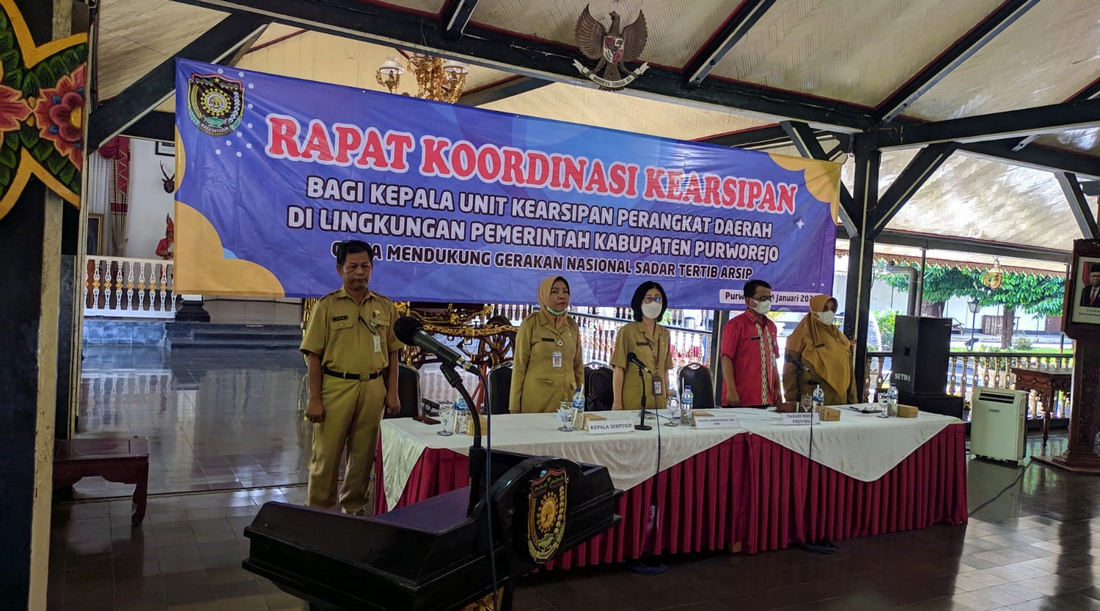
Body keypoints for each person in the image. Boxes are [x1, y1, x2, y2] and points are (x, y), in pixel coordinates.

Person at [300, 240, 402, 514]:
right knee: (327, 455)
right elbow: (314, 356)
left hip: (372, 389)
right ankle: (318, 511)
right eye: (353, 266)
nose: (360, 272)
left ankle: (354, 509)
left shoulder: (385, 307)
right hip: (335, 388)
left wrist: (392, 393)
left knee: (363, 456)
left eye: (365, 266)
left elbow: (393, 353)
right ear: (339, 270)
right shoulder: (326, 306)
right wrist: (315, 399)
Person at [509, 276, 584, 413]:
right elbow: (519, 367)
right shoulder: (531, 324)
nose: (562, 296)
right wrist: (514, 407)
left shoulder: (572, 325)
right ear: (543, 295)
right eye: (554, 292)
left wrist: (580, 398)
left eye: (565, 291)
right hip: (537, 402)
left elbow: (578, 366)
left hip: (568, 402)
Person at [783, 295, 858, 406]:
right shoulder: (800, 336)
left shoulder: (840, 338)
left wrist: (853, 401)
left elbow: (849, 372)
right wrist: (792, 400)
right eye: (825, 308)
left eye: (832, 309)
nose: (829, 313)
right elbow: (789, 371)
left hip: (840, 399)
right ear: (814, 310)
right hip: (812, 398)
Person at [611, 281, 674, 411]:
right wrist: (617, 402)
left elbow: (665, 370)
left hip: (659, 401)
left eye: (657, 298)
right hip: (634, 400)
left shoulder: (665, 334)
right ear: (639, 301)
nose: (654, 303)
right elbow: (619, 369)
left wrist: (667, 396)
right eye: (648, 298)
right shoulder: (627, 331)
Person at [720, 279, 781, 408]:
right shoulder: (735, 325)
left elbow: (773, 360)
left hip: (767, 398)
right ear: (749, 301)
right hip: (741, 398)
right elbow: (726, 358)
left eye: (770, 298)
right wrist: (731, 390)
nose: (767, 302)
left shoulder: (771, 326)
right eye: (762, 298)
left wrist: (778, 389)